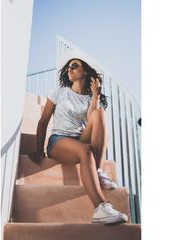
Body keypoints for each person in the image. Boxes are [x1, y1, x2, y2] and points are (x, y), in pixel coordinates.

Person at [28, 57, 128, 224]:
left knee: (99, 114)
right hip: (59, 140)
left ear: (85, 71)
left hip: (80, 138)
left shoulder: (90, 98)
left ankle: (97, 171)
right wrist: (39, 148)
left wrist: (95, 96)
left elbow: (92, 121)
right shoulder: (59, 92)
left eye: (75, 66)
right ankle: (100, 208)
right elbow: (43, 121)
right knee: (86, 150)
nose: (69, 68)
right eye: (68, 66)